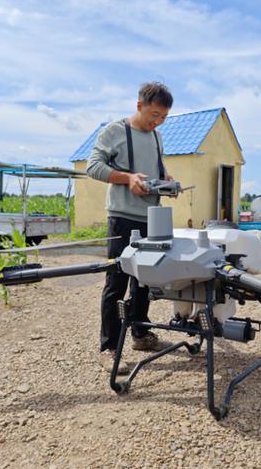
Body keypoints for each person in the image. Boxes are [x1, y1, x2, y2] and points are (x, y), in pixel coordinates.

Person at [86, 81, 174, 373]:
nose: (157, 121)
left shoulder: (157, 137)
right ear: (139, 106)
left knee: (144, 280)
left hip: (151, 217)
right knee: (117, 282)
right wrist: (127, 179)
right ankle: (108, 347)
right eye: (154, 114)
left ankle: (139, 334)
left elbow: (158, 168)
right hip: (122, 217)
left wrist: (168, 181)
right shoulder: (115, 131)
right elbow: (93, 167)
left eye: (163, 117)